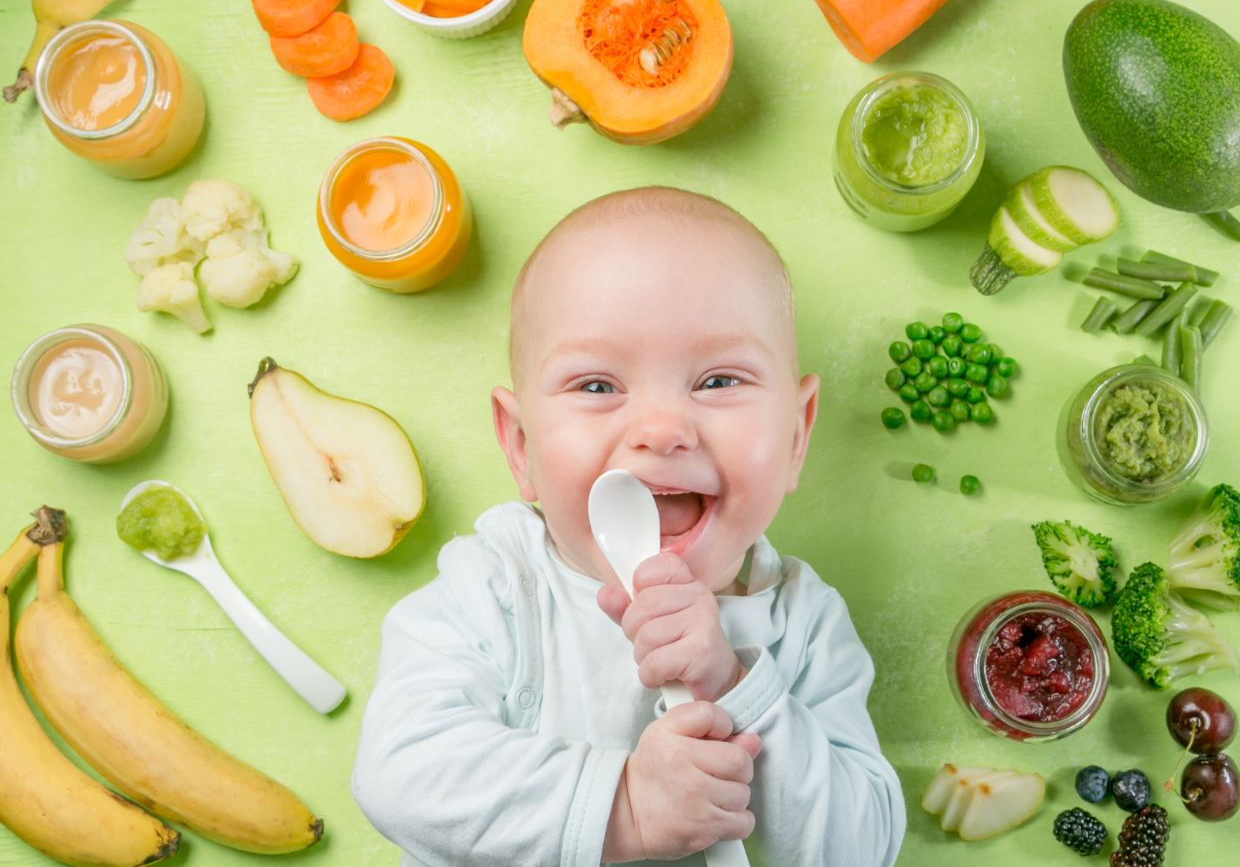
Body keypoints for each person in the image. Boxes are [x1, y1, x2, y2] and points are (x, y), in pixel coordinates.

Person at [353, 186, 906, 866]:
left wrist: (732, 685)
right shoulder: (491, 587)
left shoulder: (806, 625)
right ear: (522, 448)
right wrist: (626, 806)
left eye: (718, 381)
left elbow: (864, 848)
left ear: (796, 435)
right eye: (597, 387)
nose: (662, 430)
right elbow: (399, 774)